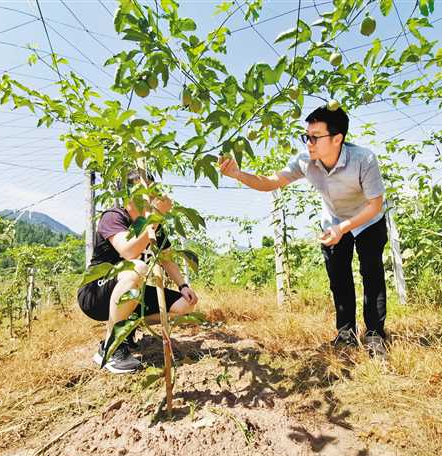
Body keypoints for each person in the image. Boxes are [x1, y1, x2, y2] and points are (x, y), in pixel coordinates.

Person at [219, 105, 388, 355]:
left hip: (368, 220)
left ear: (337, 138)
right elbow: (271, 182)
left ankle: (375, 335)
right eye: (306, 136)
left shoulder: (364, 159)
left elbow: (375, 204)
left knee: (371, 274)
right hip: (333, 222)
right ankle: (346, 334)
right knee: (339, 278)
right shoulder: (305, 161)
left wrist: (345, 227)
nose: (308, 142)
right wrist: (236, 173)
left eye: (314, 137)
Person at [77, 172, 198, 374]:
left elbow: (166, 258)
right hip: (96, 293)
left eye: (152, 190)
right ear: (127, 195)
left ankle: (128, 324)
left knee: (186, 305)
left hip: (132, 291)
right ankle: (111, 348)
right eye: (142, 190)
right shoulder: (114, 217)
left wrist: (183, 285)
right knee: (137, 267)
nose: (149, 196)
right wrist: (156, 218)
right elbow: (128, 251)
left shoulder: (155, 227)